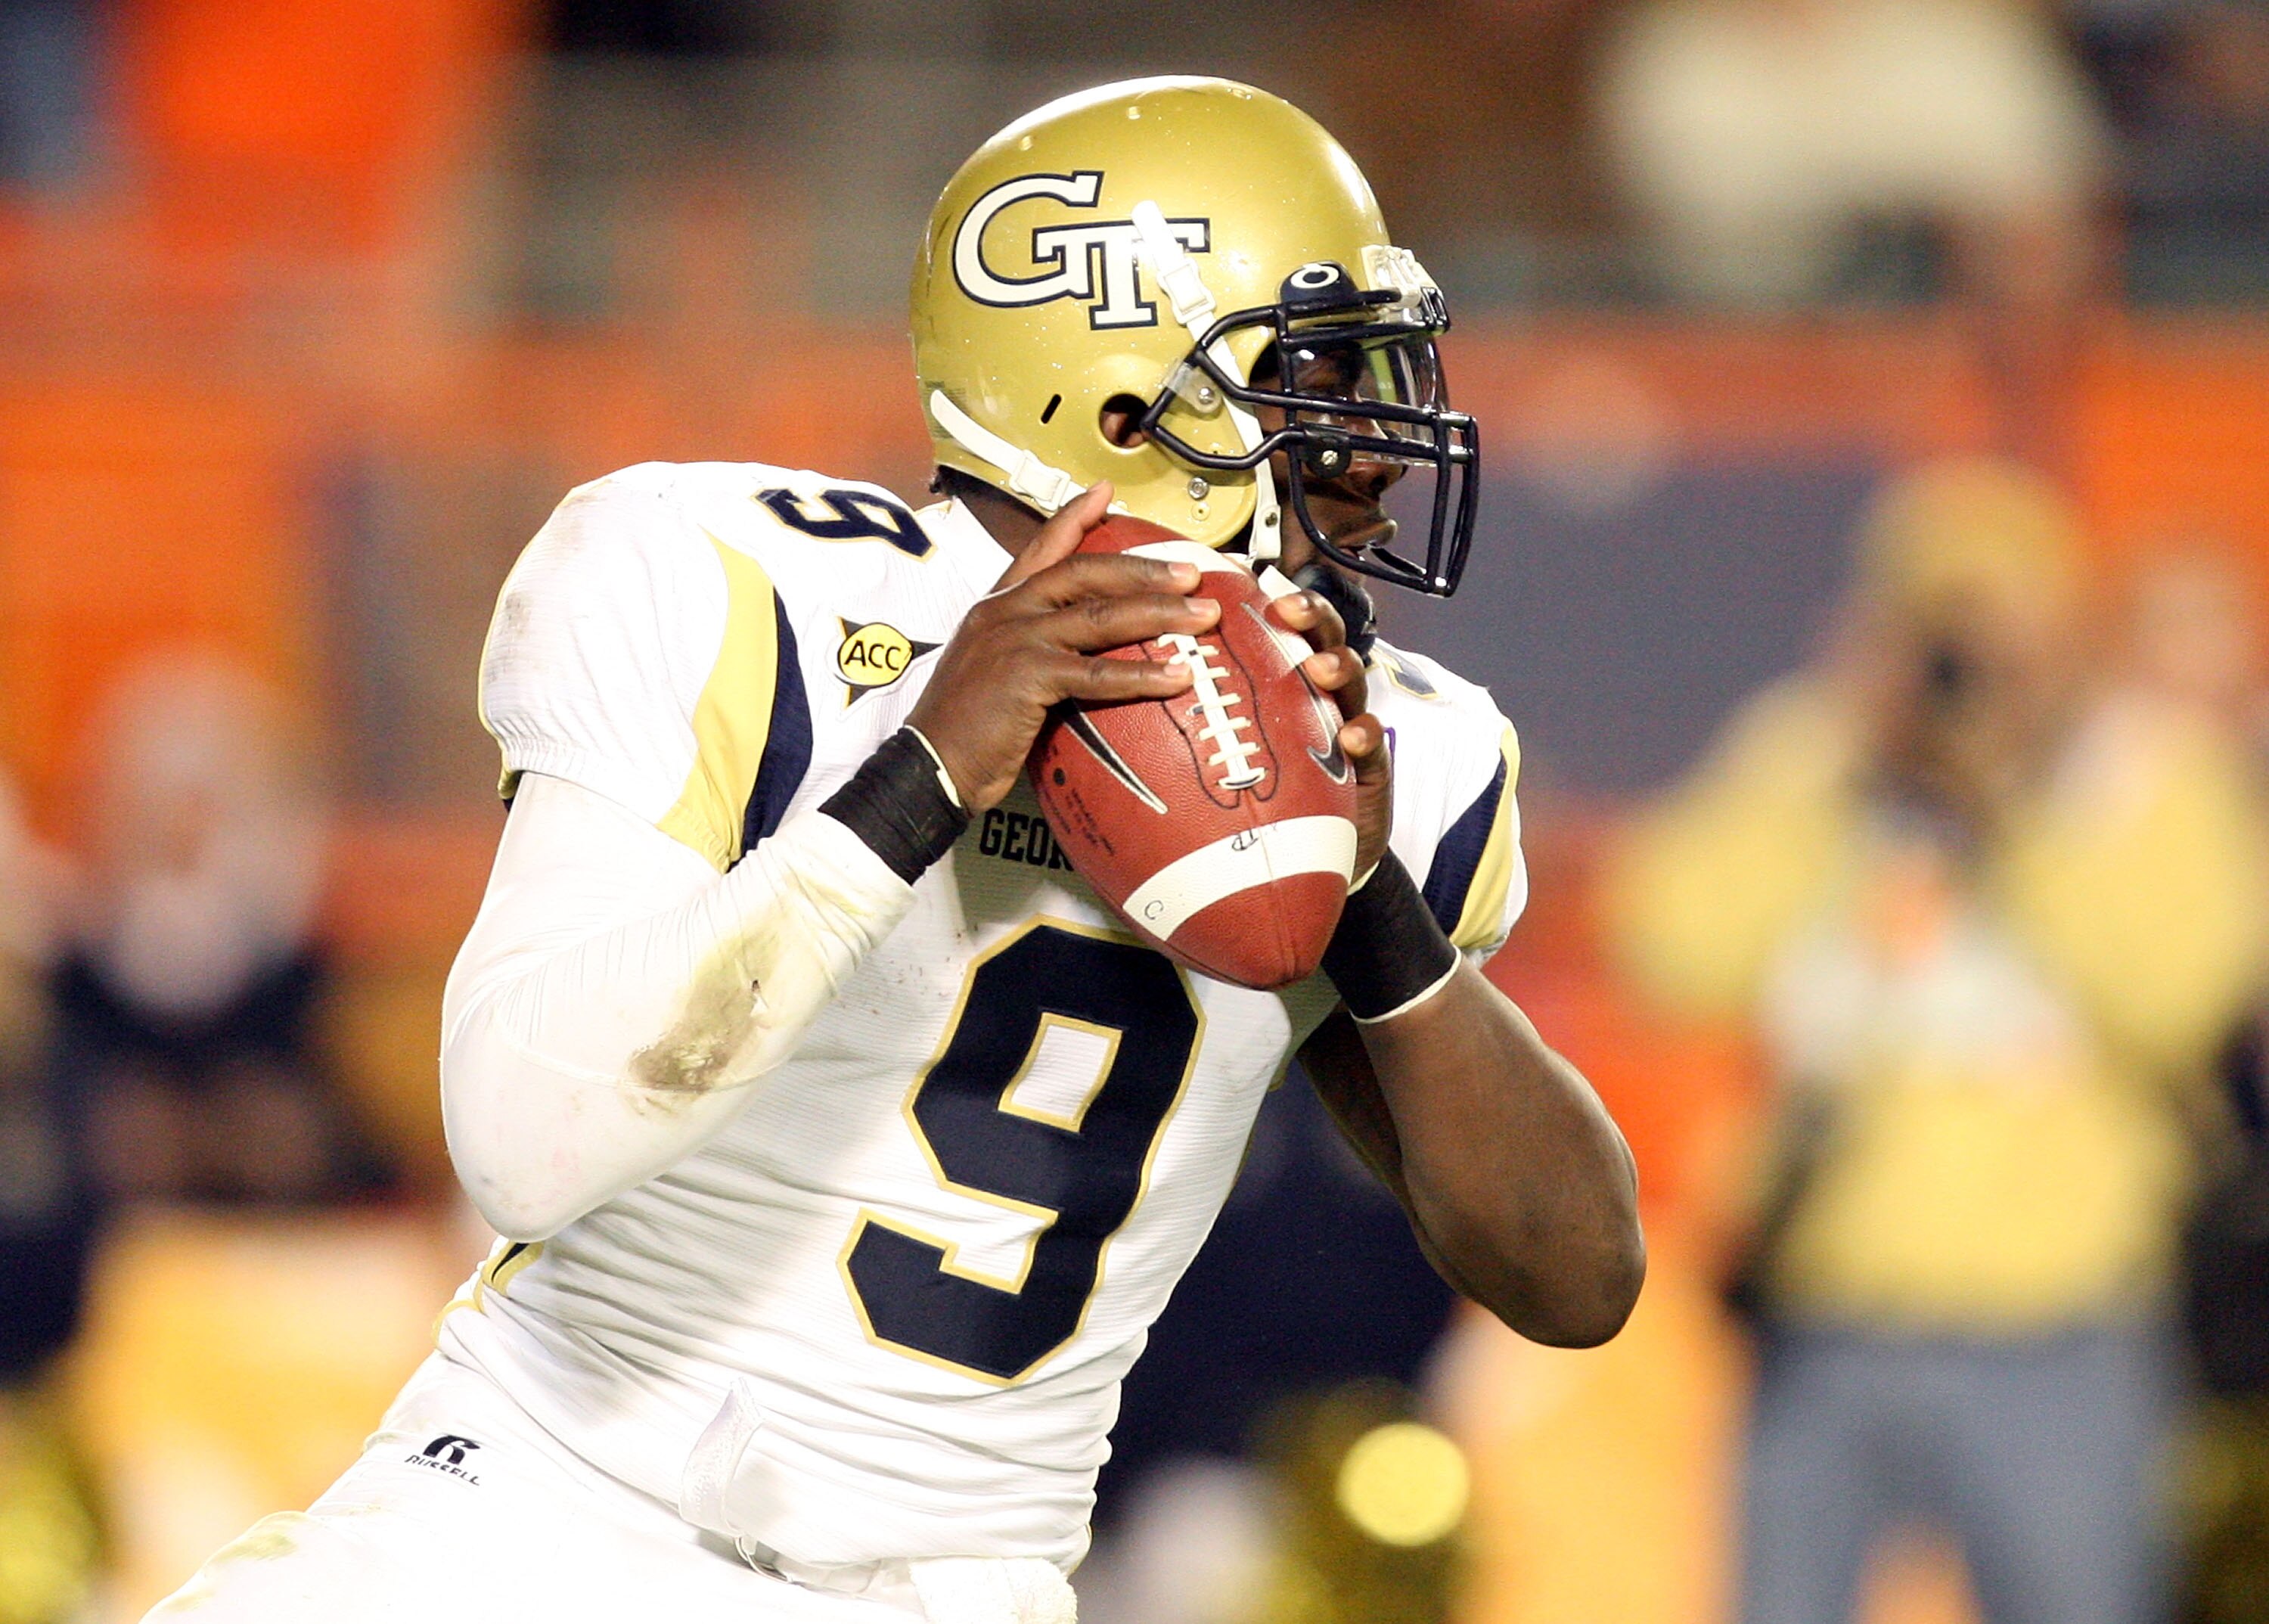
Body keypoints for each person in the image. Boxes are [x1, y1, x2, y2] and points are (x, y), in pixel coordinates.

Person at [147, 78, 1644, 1624]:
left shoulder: (1407, 742)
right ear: (1120, 403)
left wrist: (1367, 897)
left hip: (952, 1590)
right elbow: (522, 1138)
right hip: (537, 1529)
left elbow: (1577, 1277)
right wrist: (920, 773)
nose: (1377, 444)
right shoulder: (738, 587)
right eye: (1320, 378)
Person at [1609, 458, 2269, 1624]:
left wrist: (2015, 813)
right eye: (1938, 633)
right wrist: (1838, 759)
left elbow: (2183, 998)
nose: (1967, 674)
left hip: (2060, 1334)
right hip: (1831, 1325)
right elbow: (1668, 943)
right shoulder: (1821, 760)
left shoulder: (2141, 778)